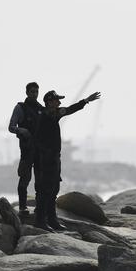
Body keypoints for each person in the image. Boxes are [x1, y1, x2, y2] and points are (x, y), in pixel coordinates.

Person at [33, 90, 101, 231]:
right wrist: (45, 155)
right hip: (46, 159)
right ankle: (40, 221)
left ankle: (52, 220)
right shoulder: (44, 116)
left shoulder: (54, 114)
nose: (59, 102)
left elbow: (70, 109)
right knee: (45, 190)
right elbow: (38, 139)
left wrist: (85, 100)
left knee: (54, 189)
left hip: (54, 158)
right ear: (50, 101)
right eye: (57, 100)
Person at [8, 82, 43, 216]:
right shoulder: (20, 108)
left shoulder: (41, 108)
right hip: (27, 149)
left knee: (40, 179)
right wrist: (21, 130)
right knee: (24, 178)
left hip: (40, 150)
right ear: (27, 93)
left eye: (36, 92)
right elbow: (11, 127)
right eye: (32, 92)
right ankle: (22, 207)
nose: (34, 94)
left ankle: (40, 207)